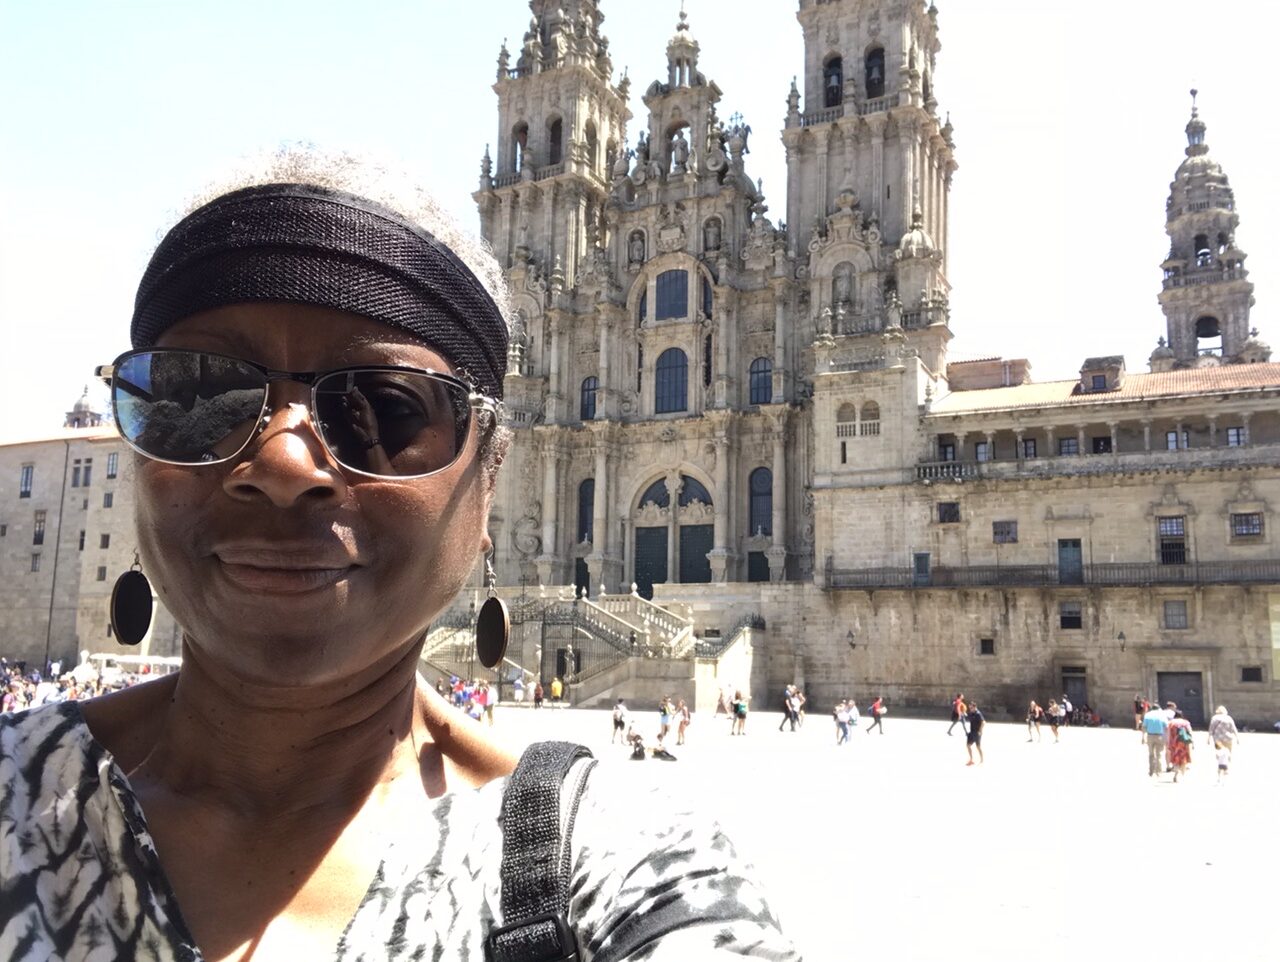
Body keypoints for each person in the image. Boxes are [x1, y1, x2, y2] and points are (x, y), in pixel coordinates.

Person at [0, 153, 797, 960]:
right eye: (200, 398)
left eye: (379, 408)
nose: (282, 465)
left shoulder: (633, 874)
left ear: (489, 481)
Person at [1141, 700, 1169, 777]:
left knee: (1151, 754)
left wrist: (1143, 737)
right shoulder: (1162, 715)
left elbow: (1144, 727)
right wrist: (1167, 738)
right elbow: (1166, 727)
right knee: (1159, 754)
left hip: (1150, 736)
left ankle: (1151, 771)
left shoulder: (1147, 715)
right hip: (1160, 736)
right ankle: (1158, 771)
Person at [1166, 710, 1194, 782]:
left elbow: (1168, 733)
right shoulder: (1185, 723)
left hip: (1174, 743)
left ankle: (1176, 772)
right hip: (1183, 743)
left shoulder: (1171, 723)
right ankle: (1182, 774)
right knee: (1183, 758)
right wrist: (1192, 742)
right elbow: (1190, 732)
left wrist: (1168, 743)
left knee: (1175, 758)